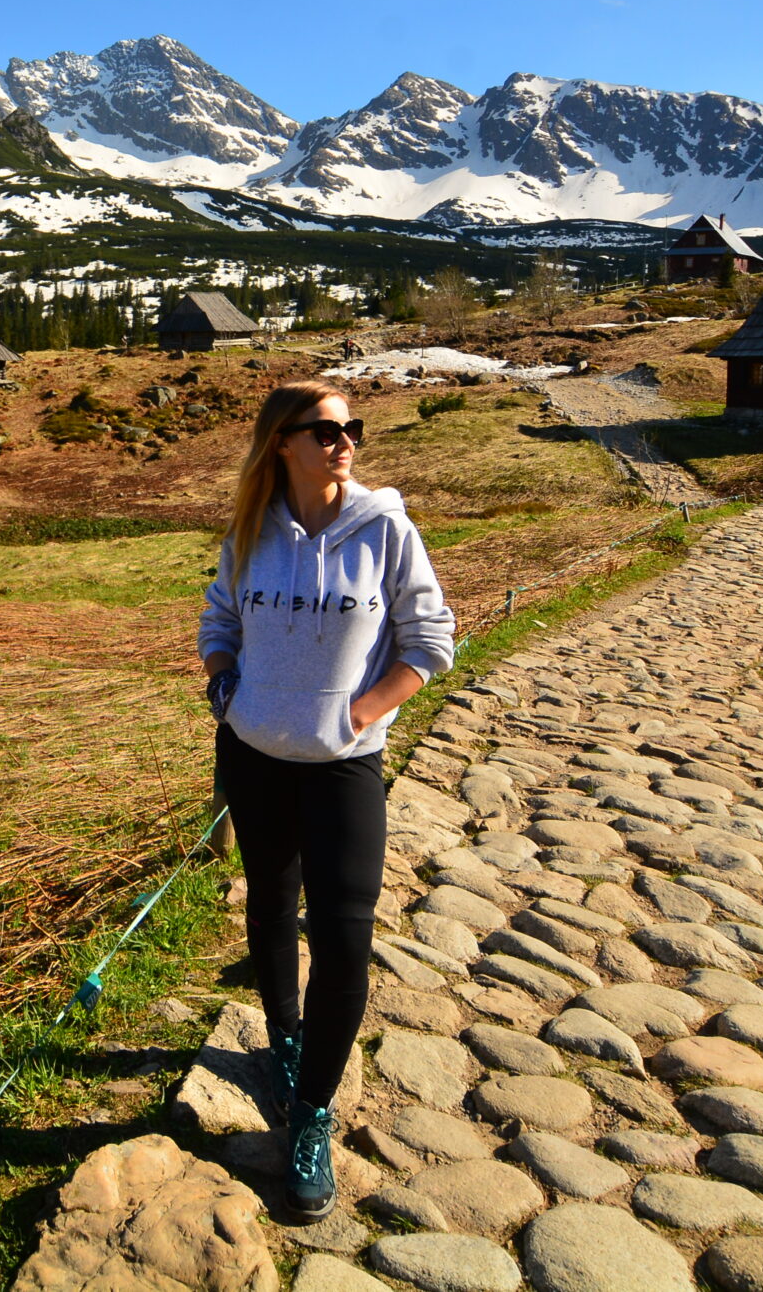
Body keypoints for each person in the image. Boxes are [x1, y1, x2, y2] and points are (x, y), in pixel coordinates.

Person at [197, 380, 456, 1218]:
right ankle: (283, 1041)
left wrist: (360, 712)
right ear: (283, 441)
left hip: (346, 764)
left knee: (346, 934)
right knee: (270, 904)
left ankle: (312, 1111)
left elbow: (431, 638)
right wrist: (226, 690)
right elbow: (218, 620)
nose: (344, 440)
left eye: (352, 427)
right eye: (325, 428)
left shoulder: (385, 528)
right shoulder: (250, 529)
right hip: (255, 755)